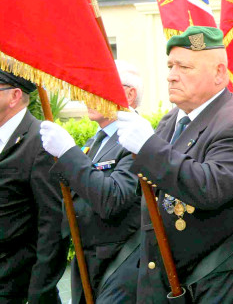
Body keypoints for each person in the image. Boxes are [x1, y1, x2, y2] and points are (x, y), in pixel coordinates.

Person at [115, 26, 233, 303]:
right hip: (163, 274)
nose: (171, 75)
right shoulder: (170, 120)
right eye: (171, 65)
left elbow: (208, 188)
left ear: (219, 73)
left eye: (184, 67)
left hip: (214, 278)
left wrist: (148, 148)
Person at [40, 60, 144, 303]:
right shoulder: (96, 141)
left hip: (122, 259)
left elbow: (112, 199)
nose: (87, 95)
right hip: (89, 259)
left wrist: (68, 152)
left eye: (97, 88)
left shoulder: (136, 140)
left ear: (128, 93)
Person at [0, 69, 67, 304]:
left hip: (18, 287)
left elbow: (53, 226)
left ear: (14, 96)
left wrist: (39, 293)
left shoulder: (41, 142)